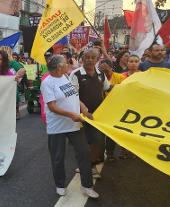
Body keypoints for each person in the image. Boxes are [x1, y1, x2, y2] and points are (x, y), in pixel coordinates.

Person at [40, 55, 99, 198]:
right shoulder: (47, 83)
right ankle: (60, 185)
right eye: (66, 63)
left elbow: (74, 96)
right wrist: (71, 115)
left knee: (84, 153)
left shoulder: (65, 76)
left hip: (74, 124)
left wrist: (84, 109)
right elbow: (52, 107)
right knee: (58, 157)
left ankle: (87, 186)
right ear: (59, 67)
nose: (69, 65)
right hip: (58, 126)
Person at [71, 49, 110, 177]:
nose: (90, 60)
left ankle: (91, 166)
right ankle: (85, 165)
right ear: (82, 59)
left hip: (97, 115)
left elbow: (107, 88)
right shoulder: (76, 74)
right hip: (81, 115)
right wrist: (83, 110)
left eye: (93, 58)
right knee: (84, 143)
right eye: (87, 57)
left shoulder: (101, 75)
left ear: (97, 59)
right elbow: (72, 95)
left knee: (97, 140)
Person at [98, 59, 126, 161]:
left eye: (106, 71)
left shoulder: (120, 77)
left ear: (111, 68)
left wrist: (112, 87)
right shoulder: (97, 77)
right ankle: (104, 154)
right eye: (102, 71)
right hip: (101, 109)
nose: (104, 73)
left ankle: (114, 153)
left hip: (116, 109)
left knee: (112, 133)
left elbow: (126, 89)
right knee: (101, 134)